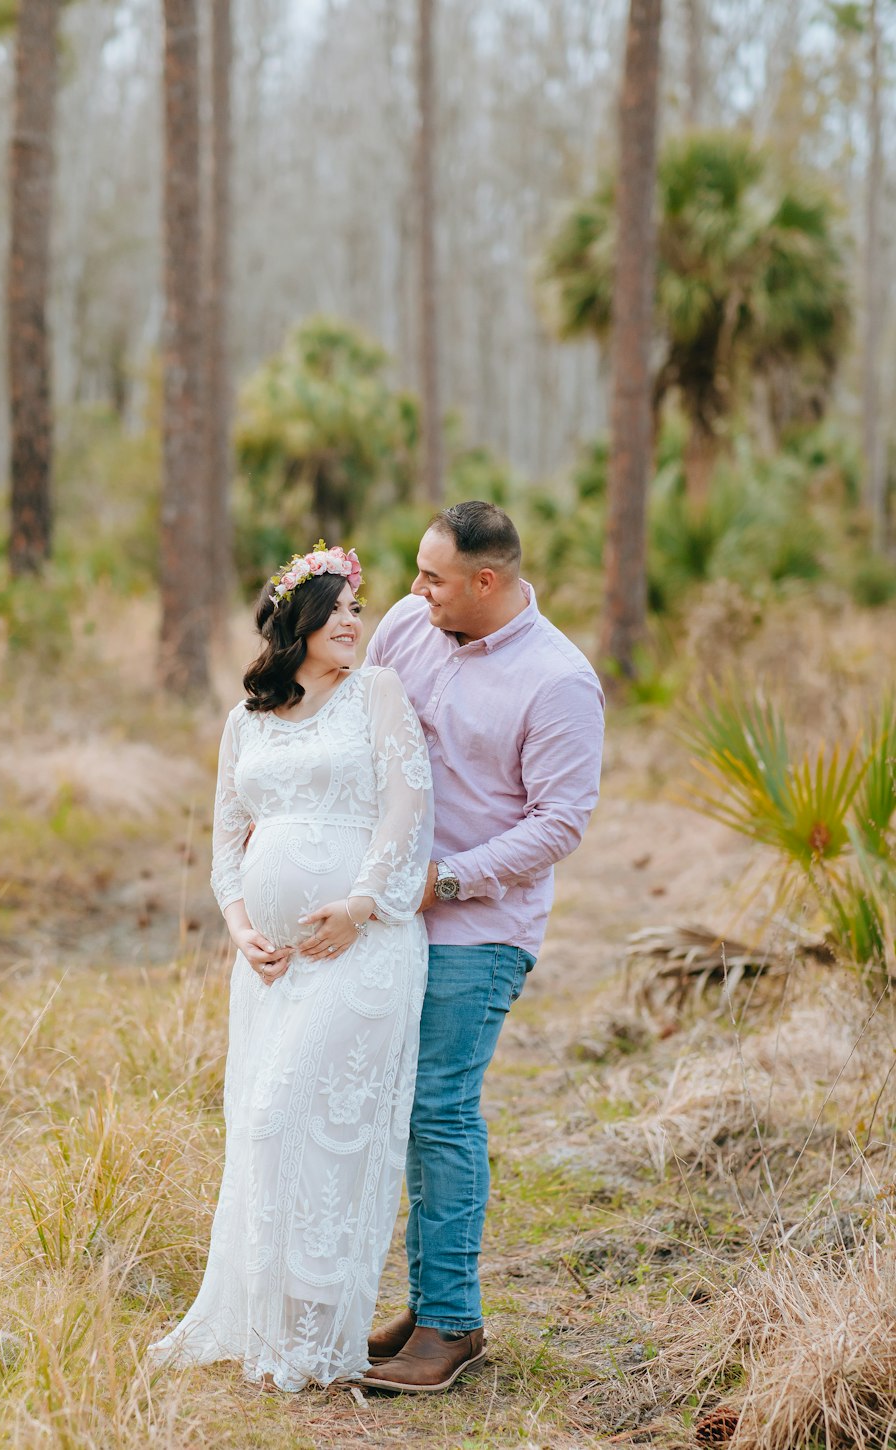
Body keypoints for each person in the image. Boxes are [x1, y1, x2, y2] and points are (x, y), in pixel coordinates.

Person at [148, 543, 433, 1391]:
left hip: (363, 948)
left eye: (359, 607)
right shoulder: (249, 718)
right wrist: (241, 931)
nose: (354, 621)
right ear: (297, 619)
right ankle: (268, 1323)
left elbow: (407, 811)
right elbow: (225, 846)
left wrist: (359, 905)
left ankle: (314, 1332)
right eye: (339, 607)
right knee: (265, 1138)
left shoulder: (377, 694)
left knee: (297, 1124)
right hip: (269, 970)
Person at [360, 501, 605, 1394]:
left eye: (434, 578)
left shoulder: (559, 680)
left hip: (478, 927)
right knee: (400, 1109)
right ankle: (427, 1307)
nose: (415, 590)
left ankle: (454, 1325)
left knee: (441, 1107)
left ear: (486, 582)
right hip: (384, 917)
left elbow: (561, 821)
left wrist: (447, 879)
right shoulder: (404, 625)